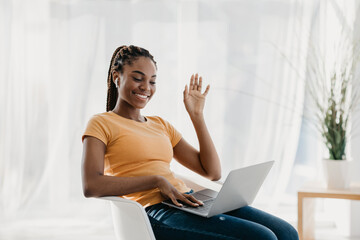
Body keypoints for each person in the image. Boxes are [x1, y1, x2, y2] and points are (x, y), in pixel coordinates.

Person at [81, 45, 299, 240]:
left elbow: (211, 172)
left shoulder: (160, 124)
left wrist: (197, 116)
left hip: (191, 201)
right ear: (116, 77)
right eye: (138, 78)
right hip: (154, 212)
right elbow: (92, 185)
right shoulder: (102, 123)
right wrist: (156, 180)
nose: (146, 87)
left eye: (152, 81)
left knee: (286, 233)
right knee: (262, 237)